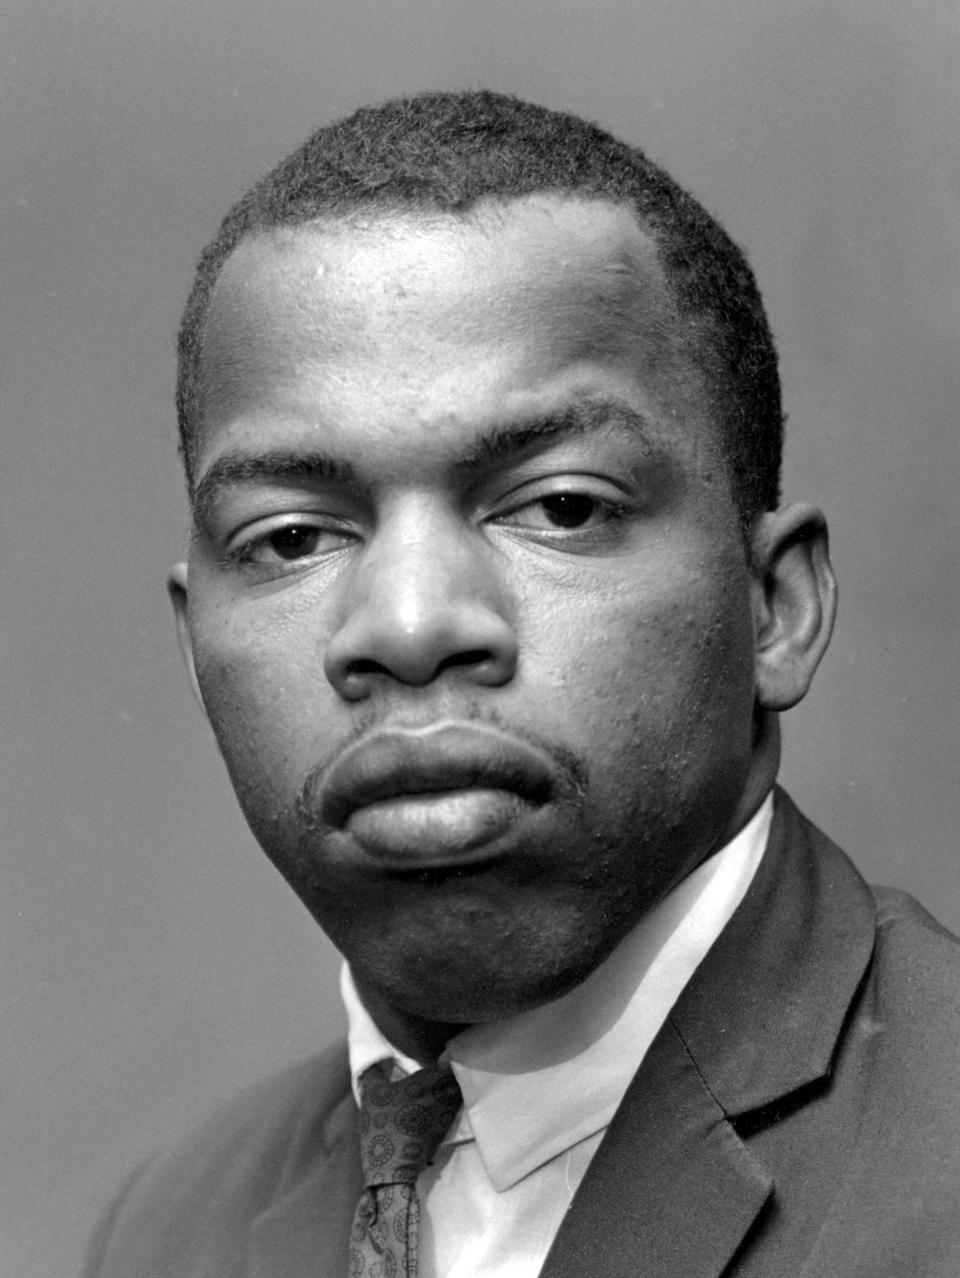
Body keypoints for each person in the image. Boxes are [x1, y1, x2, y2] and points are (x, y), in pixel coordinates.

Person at [84, 90, 960, 1278]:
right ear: (195, 653)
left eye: (561, 508)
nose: (406, 625)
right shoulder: (166, 1236)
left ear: (776, 607)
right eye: (292, 538)